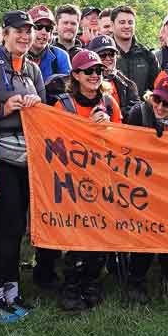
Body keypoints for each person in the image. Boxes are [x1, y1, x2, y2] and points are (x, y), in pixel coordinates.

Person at [0, 10, 44, 323]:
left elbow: (43, 112)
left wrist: (34, 105)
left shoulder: (32, 67)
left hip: (26, 157)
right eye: (18, 31)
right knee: (3, 228)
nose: (24, 36)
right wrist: (5, 108)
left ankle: (11, 295)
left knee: (17, 229)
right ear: (4, 33)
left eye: (28, 31)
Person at [53, 49, 125, 309]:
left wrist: (109, 129)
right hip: (73, 180)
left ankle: (92, 281)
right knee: (78, 232)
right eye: (88, 71)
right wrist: (88, 129)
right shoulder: (63, 105)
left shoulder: (109, 103)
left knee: (100, 230)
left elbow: (122, 141)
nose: (94, 75)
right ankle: (71, 283)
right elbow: (55, 144)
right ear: (75, 75)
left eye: (98, 71)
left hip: (102, 177)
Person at [125, 72, 168, 296]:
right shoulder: (138, 113)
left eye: (167, 103)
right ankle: (136, 278)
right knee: (144, 230)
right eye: (157, 100)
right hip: (142, 181)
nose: (160, 107)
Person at [108, 5, 160, 94]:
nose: (127, 26)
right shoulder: (104, 54)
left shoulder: (147, 55)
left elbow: (156, 89)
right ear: (112, 25)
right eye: (122, 22)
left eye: (130, 22)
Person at [26, 6, 70, 82]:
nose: (44, 32)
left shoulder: (61, 56)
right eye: (38, 27)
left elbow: (69, 89)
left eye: (48, 28)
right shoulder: (15, 54)